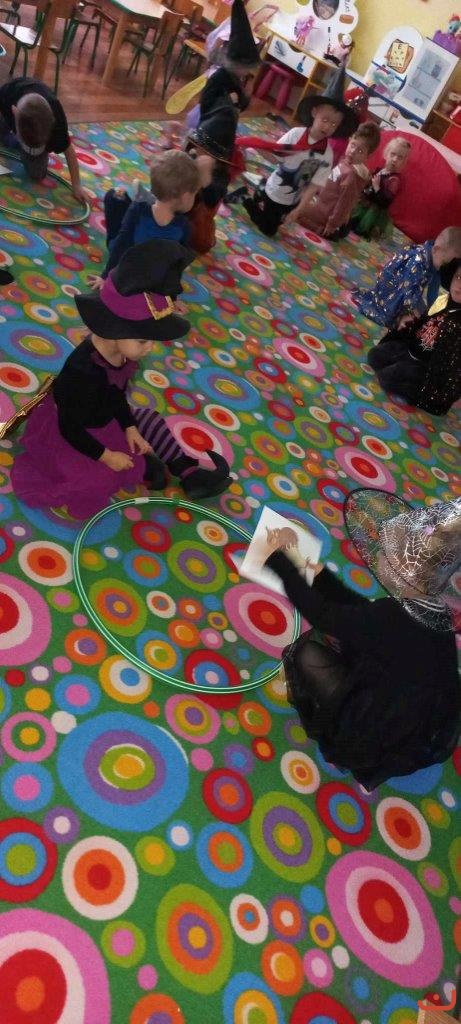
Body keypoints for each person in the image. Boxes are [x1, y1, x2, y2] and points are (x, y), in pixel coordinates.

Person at [11, 241, 231, 519]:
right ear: (115, 331)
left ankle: (187, 472)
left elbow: (116, 395)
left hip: (102, 421)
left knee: (147, 424)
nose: (150, 348)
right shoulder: (83, 372)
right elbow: (70, 427)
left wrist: (129, 427)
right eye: (143, 340)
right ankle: (138, 463)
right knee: (97, 480)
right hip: (72, 435)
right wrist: (106, 456)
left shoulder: (121, 356)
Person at [263, 488, 461, 790]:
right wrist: (317, 574)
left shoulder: (391, 617)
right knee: (348, 639)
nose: (377, 553)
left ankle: (353, 740)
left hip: (382, 730)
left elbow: (324, 615)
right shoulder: (431, 611)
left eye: (384, 552)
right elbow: (356, 610)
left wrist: (282, 566)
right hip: (419, 720)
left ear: (405, 570)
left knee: (308, 654)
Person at [237, 65, 358, 238]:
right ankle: (245, 198)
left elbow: (314, 186)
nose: (327, 127)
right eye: (325, 120)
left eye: (333, 124)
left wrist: (299, 210)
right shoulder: (295, 134)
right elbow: (275, 157)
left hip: (293, 200)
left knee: (279, 221)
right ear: (314, 113)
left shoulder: (327, 155)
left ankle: (260, 192)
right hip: (275, 190)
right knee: (268, 230)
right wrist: (257, 145)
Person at [367, 258, 461, 416]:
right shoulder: (443, 300)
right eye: (458, 277)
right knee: (375, 356)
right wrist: (409, 325)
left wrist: (432, 392)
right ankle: (401, 365)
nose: (459, 284)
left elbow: (450, 369)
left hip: (427, 372)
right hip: (411, 350)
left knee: (387, 378)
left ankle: (411, 386)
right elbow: (423, 323)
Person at [98, 150, 202, 281]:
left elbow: (120, 244)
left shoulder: (137, 210)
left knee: (114, 196)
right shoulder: (183, 226)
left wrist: (106, 277)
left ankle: (147, 197)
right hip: (151, 274)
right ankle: (147, 197)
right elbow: (178, 262)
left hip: (125, 262)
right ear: (186, 196)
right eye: (195, 194)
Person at [0, 76, 89, 203]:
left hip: (28, 131)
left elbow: (69, 150)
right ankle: (10, 137)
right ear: (15, 112)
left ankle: (15, 142)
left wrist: (77, 185)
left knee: (37, 174)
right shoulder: (8, 92)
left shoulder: (57, 124)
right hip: (7, 114)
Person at [352, 226, 461, 329]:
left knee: (421, 313)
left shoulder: (437, 259)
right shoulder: (418, 263)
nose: (446, 270)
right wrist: (420, 314)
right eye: (445, 264)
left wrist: (432, 311)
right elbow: (410, 293)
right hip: (392, 289)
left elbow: (433, 289)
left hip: (407, 288)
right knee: (396, 319)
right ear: (436, 250)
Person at [289, 120, 381, 238]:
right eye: (353, 145)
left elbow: (344, 205)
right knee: (297, 194)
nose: (353, 152)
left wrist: (332, 224)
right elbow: (330, 181)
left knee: (294, 205)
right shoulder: (345, 162)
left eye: (360, 151)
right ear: (349, 140)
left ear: (367, 156)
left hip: (326, 214)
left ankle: (320, 229)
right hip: (320, 203)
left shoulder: (351, 176)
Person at [185, 99, 241, 253]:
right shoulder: (194, 156)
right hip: (179, 208)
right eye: (197, 146)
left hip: (196, 224)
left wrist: (205, 177)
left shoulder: (221, 176)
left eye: (201, 148)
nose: (196, 150)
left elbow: (211, 201)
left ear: (217, 157)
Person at [199, 0, 261, 120]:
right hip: (210, 119)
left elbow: (241, 104)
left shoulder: (236, 80)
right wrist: (227, 100)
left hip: (224, 119)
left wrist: (246, 93)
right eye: (246, 67)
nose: (247, 71)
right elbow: (206, 101)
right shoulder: (219, 77)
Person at [350, 136, 411, 239]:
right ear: (386, 154)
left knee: (360, 227)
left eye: (400, 158)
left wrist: (377, 188)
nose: (395, 159)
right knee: (350, 215)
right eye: (393, 154)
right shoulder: (380, 170)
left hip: (374, 211)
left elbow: (386, 202)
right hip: (365, 203)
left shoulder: (394, 179)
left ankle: (368, 229)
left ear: (404, 162)